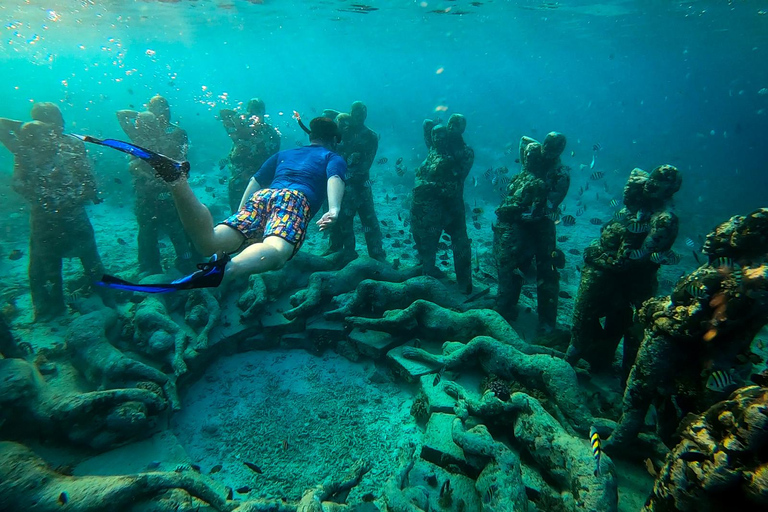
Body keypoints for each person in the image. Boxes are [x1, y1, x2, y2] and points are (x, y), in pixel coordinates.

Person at [79, 116, 346, 292]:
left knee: (210, 243)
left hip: (263, 196)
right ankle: (227, 269)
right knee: (277, 253)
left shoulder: (285, 153)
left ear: (310, 135)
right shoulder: (331, 155)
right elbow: (334, 178)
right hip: (295, 199)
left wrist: (242, 212)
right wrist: (334, 209)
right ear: (334, 139)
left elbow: (255, 180)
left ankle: (178, 182)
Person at [566, 165, 681, 375]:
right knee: (596, 318)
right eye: (651, 181)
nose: (651, 185)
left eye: (658, 182)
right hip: (612, 274)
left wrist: (595, 256)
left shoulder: (664, 219)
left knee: (628, 326)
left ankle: (622, 374)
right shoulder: (640, 205)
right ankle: (590, 358)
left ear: (670, 188)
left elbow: (634, 260)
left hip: (634, 282)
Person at [0, 103, 111, 320]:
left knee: (90, 258)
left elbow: (87, 175)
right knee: (47, 264)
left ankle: (105, 297)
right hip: (45, 218)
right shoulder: (27, 148)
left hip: (70, 212)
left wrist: (80, 195)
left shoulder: (71, 143)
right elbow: (18, 182)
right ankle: (50, 309)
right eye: (55, 117)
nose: (61, 121)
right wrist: (43, 198)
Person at [493, 132, 570, 332]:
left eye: (554, 148)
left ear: (560, 151)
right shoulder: (532, 154)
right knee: (513, 264)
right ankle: (506, 307)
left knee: (547, 270)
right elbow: (524, 140)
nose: (548, 150)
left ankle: (547, 322)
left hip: (542, 226)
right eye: (547, 144)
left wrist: (520, 211)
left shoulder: (560, 175)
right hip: (518, 222)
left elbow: (550, 206)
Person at [117, 98, 198, 274]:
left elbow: (182, 162)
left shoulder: (174, 134)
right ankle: (156, 267)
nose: (163, 112)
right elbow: (121, 115)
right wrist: (144, 115)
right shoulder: (140, 136)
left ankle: (180, 264)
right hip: (150, 194)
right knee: (150, 231)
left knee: (171, 228)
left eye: (164, 109)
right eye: (156, 109)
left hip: (166, 192)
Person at [410, 113, 474, 293]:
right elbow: (426, 124)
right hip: (429, 206)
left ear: (463, 128)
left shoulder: (465, 151)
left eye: (457, 124)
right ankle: (428, 270)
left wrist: (430, 187)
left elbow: (458, 179)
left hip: (451, 205)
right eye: (451, 123)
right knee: (428, 238)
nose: (452, 127)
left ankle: (464, 282)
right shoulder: (435, 146)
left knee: (459, 242)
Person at [321, 102, 385, 261]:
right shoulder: (343, 130)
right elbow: (327, 115)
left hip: (360, 185)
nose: (358, 116)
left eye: (361, 112)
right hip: (342, 182)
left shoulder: (370, 135)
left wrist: (347, 180)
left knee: (369, 219)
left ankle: (376, 255)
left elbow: (366, 164)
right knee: (342, 220)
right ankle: (341, 252)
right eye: (355, 112)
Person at [219, 98, 281, 212]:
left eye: (256, 112)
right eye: (251, 112)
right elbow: (224, 113)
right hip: (241, 180)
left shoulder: (269, 133)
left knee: (252, 214)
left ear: (263, 113)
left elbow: (272, 158)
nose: (253, 115)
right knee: (240, 214)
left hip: (259, 181)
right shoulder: (243, 130)